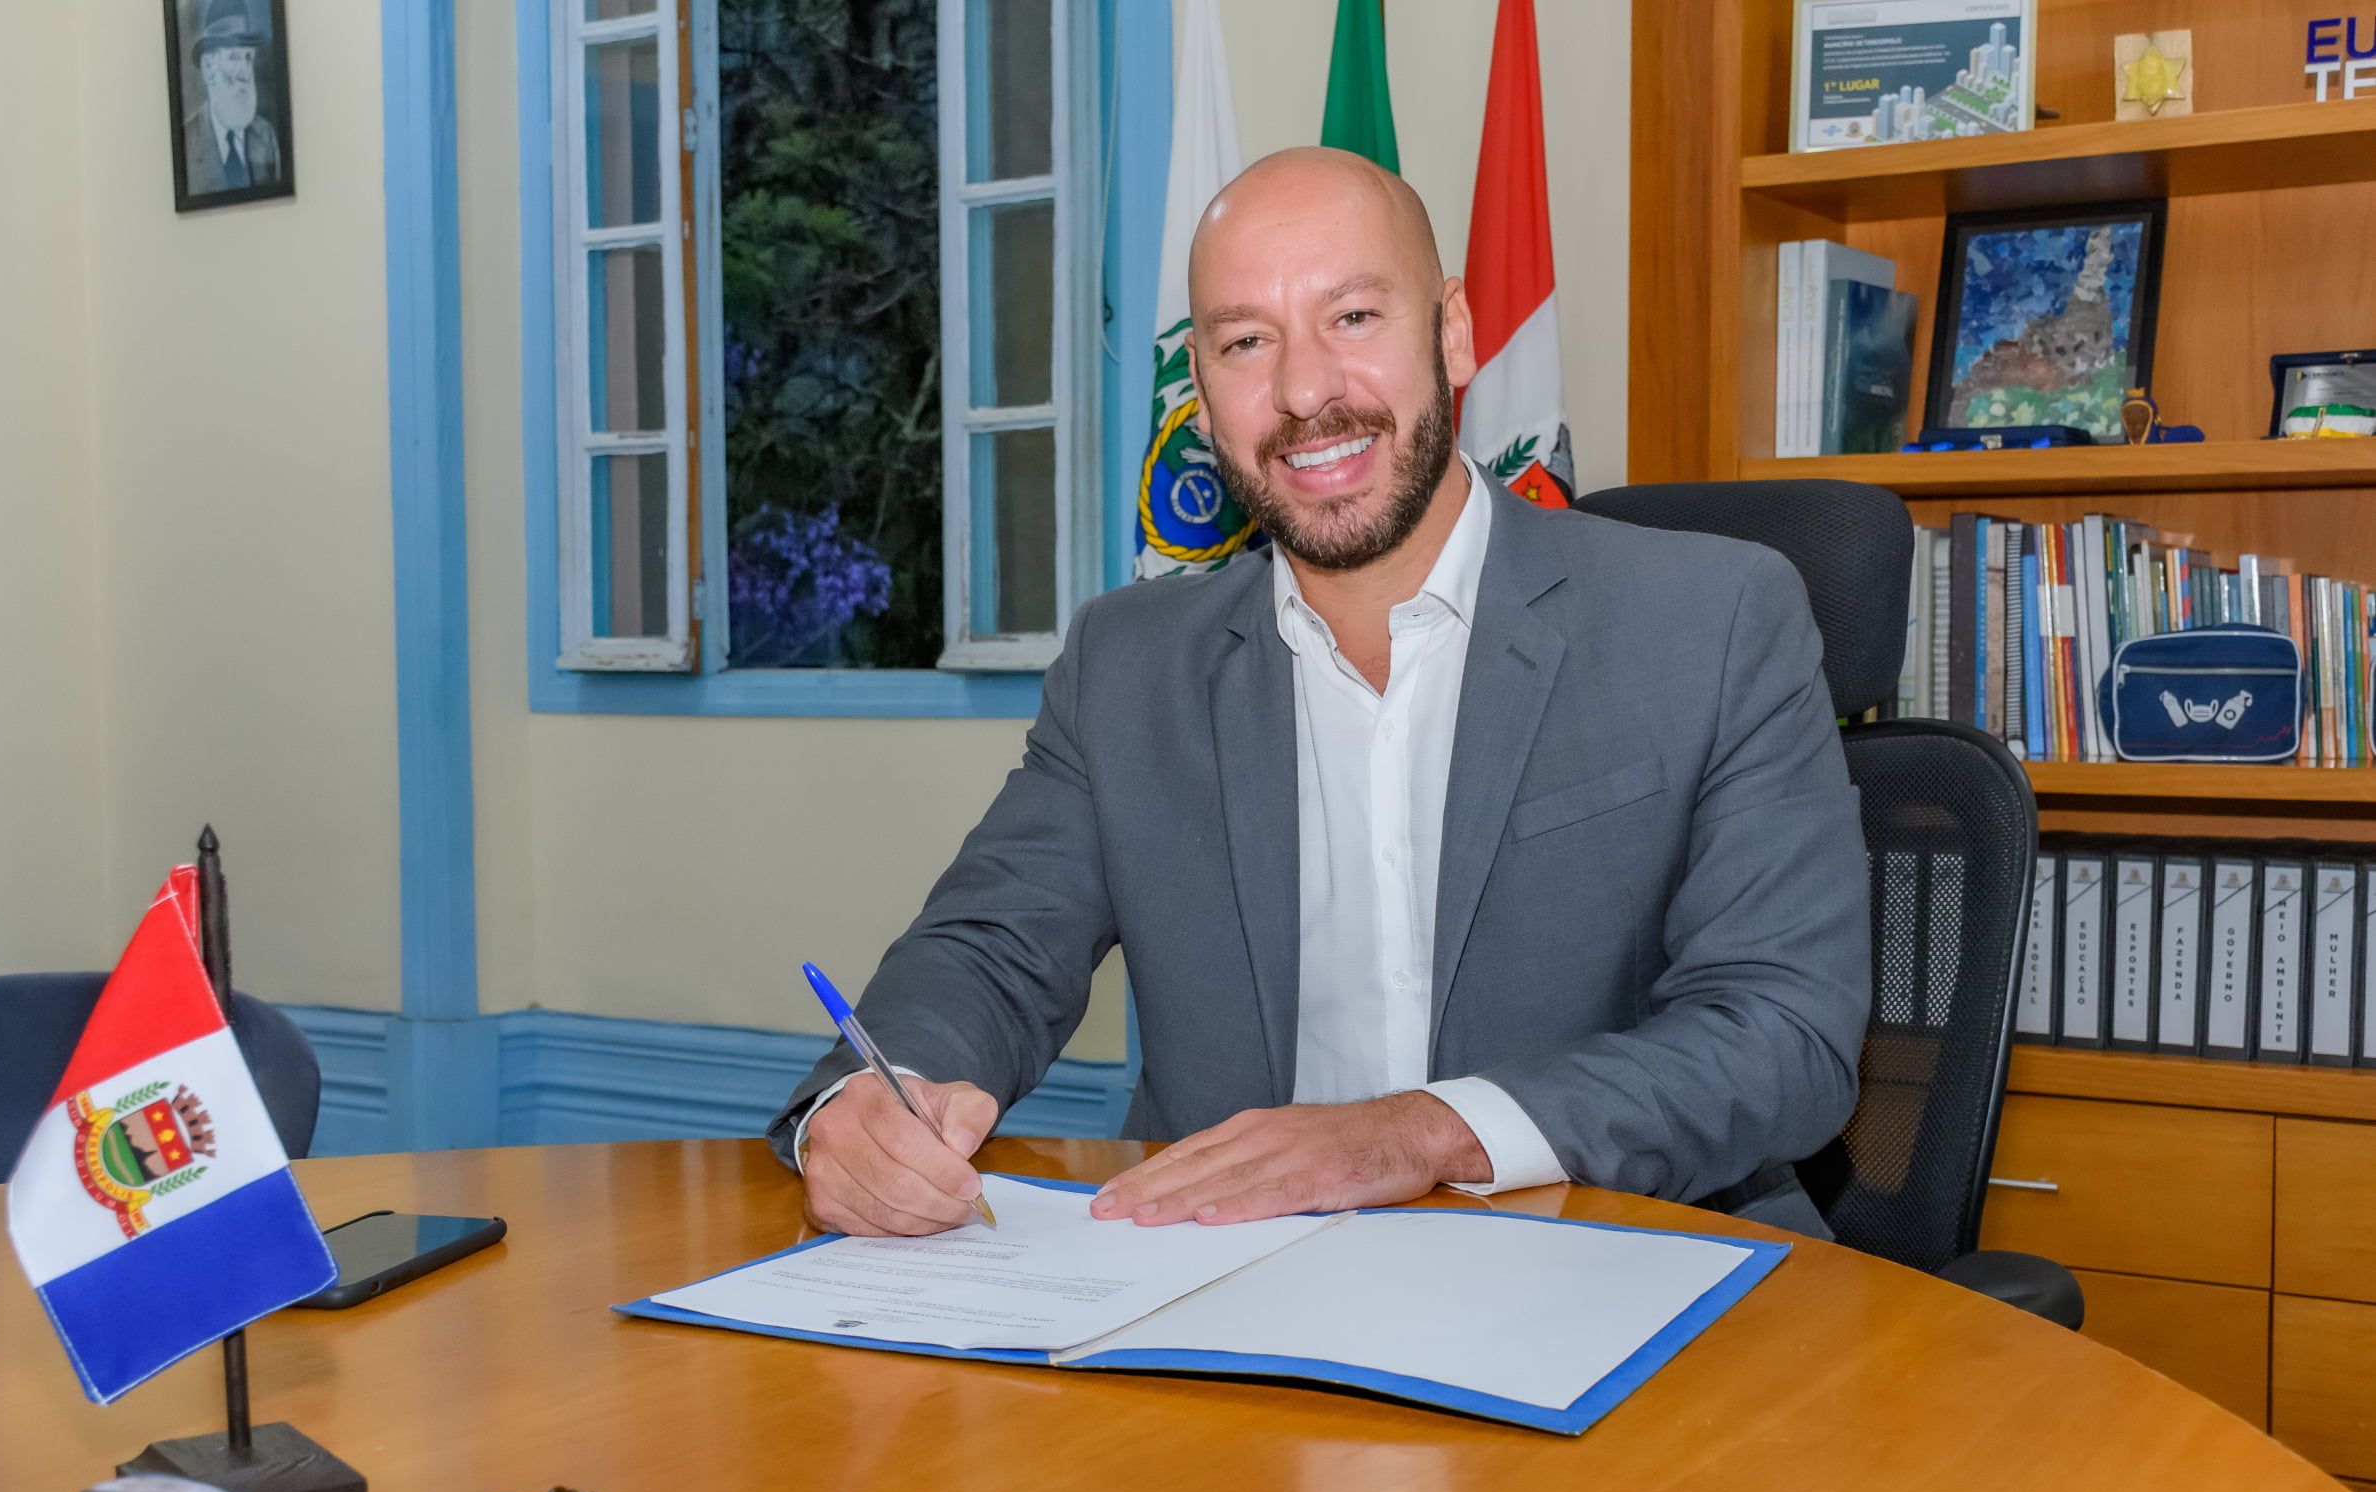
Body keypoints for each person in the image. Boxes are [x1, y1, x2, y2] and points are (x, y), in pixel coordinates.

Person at [771, 148, 1870, 1240]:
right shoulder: (1128, 664)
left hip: (1619, 1260)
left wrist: (1420, 1132)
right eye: (1246, 341)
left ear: (1452, 332)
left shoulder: (1710, 618)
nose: (1304, 392)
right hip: (1227, 1280)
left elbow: (1781, 1031)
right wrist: (867, 1105)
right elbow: (990, 950)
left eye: (1352, 317)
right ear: (1202, 392)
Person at [180, 0, 281, 196]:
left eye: (248, 57)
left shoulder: (266, 136)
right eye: (234, 57)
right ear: (208, 68)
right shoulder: (188, 142)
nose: (245, 73)